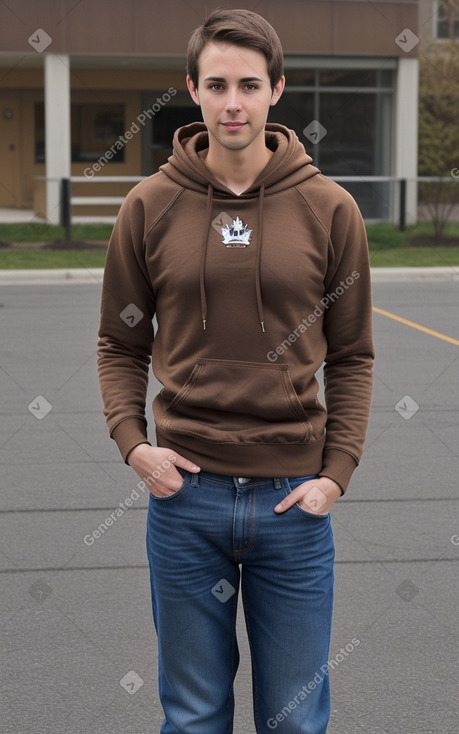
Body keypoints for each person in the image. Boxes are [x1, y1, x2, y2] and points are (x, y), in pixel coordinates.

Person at [97, 8, 374, 733]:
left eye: (248, 85)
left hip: (294, 504)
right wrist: (136, 448)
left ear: (276, 90)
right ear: (191, 88)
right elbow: (118, 343)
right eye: (216, 84)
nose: (232, 103)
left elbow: (352, 354)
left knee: (293, 722)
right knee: (192, 718)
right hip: (185, 501)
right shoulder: (148, 205)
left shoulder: (329, 209)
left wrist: (334, 474)